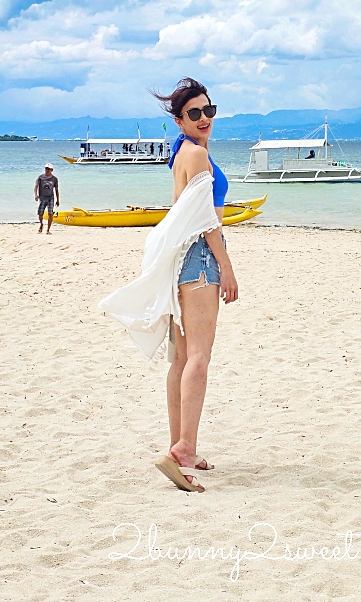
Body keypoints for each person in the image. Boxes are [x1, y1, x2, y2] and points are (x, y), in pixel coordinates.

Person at [98, 77, 238, 493]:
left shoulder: (184, 152)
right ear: (179, 121)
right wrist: (226, 267)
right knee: (198, 356)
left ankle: (184, 447)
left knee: (180, 359)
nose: (204, 119)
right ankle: (183, 449)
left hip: (181, 261)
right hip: (199, 261)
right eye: (194, 113)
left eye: (209, 110)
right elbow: (206, 220)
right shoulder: (196, 155)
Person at [34, 163, 59, 233]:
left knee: (50, 213)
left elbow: (56, 190)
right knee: (40, 214)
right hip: (42, 197)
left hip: (50, 197)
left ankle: (48, 230)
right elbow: (36, 186)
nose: (47, 170)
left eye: (48, 169)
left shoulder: (54, 179)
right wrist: (36, 195)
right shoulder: (40, 177)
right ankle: (41, 224)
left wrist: (58, 200)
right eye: (46, 168)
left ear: (52, 170)